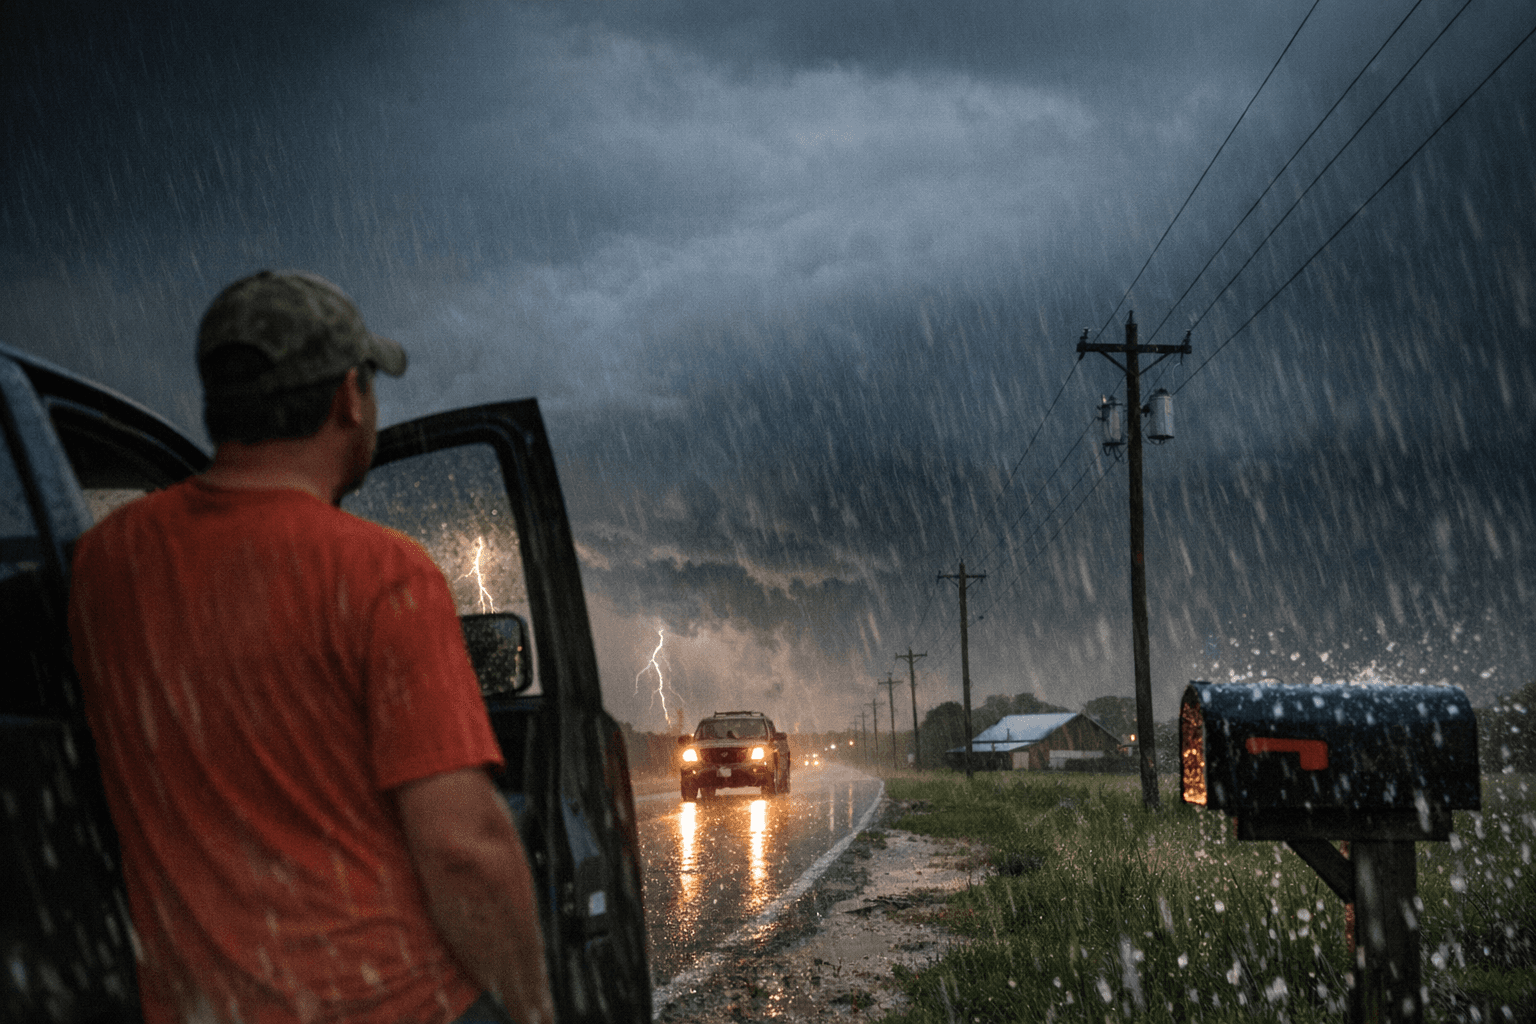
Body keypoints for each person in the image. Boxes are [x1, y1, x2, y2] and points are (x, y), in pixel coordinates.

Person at [68, 271, 555, 1024]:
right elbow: (464, 846)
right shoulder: (382, 573)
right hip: (388, 1004)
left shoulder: (104, 563)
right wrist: (532, 1010)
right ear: (348, 399)